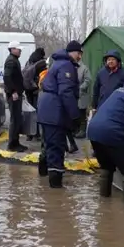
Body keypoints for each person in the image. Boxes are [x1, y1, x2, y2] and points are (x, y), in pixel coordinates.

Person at [37, 41, 83, 188]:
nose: (80, 56)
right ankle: (55, 189)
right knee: (56, 148)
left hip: (47, 111)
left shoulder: (57, 63)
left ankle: (43, 178)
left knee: (49, 144)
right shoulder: (66, 66)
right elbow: (66, 92)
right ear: (72, 52)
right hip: (54, 112)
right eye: (79, 53)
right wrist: (75, 116)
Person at [3, 41, 27, 152]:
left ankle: (16, 142)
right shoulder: (11, 61)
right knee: (15, 119)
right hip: (14, 95)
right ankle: (12, 144)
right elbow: (7, 77)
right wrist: (13, 91)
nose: (20, 50)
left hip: (16, 94)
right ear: (12, 49)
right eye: (18, 49)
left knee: (17, 119)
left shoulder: (14, 60)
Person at [23, 48, 47, 141]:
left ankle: (29, 135)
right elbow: (43, 77)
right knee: (36, 111)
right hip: (35, 90)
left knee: (30, 112)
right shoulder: (41, 63)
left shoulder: (28, 61)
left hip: (27, 89)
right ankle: (36, 134)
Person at [74, 59, 92, 139]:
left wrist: (81, 88)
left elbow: (88, 80)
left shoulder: (84, 68)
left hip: (81, 94)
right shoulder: (70, 67)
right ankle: (76, 129)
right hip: (72, 94)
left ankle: (82, 130)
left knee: (82, 113)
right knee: (74, 113)